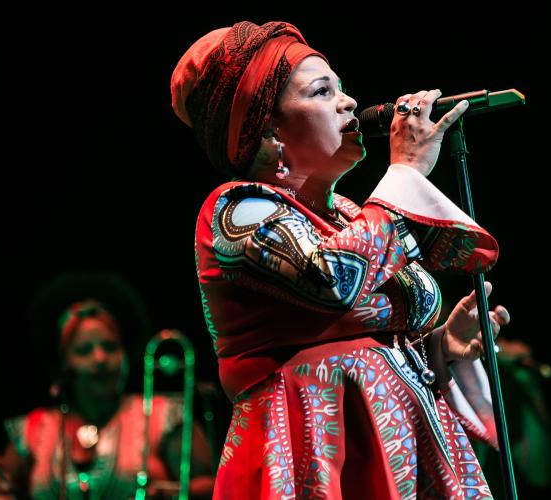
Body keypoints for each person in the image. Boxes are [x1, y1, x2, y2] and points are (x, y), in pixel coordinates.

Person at [172, 20, 511, 498]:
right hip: (313, 448)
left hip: (396, 444)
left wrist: (440, 348)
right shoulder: (236, 208)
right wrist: (407, 172)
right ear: (265, 125)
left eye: (342, 88)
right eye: (322, 91)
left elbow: (366, 343)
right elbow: (334, 279)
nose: (349, 102)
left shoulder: (353, 214)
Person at [0, 299, 215, 499]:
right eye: (84, 350)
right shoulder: (34, 428)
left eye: (110, 347)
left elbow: (214, 486)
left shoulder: (162, 415)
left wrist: (169, 494)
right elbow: (0, 491)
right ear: (64, 362)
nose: (100, 358)